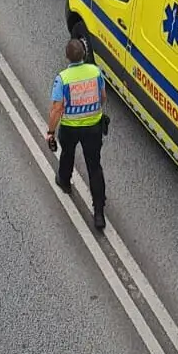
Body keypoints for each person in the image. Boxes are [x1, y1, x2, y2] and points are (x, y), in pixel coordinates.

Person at [46, 38, 108, 230]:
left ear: (67, 56)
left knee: (67, 155)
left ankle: (64, 181)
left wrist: (50, 132)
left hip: (71, 128)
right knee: (94, 167)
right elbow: (103, 97)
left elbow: (57, 108)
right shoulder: (95, 72)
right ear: (84, 54)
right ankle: (99, 213)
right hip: (93, 127)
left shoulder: (63, 78)